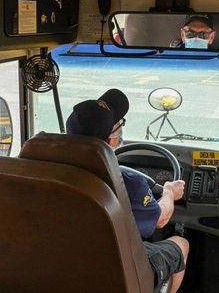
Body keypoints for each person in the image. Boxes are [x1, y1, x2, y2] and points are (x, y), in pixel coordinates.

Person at [66, 89, 189, 293]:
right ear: (111, 140)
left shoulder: (44, 171)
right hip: (114, 268)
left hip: (64, 259)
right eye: (119, 124)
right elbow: (160, 220)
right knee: (181, 243)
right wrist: (168, 192)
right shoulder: (131, 183)